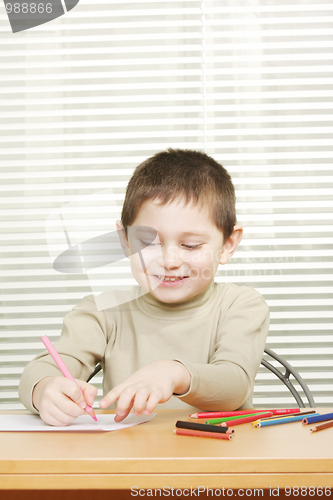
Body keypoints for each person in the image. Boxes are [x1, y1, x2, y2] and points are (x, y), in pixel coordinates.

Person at [19, 148, 270, 426]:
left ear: (227, 245)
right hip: (129, 462)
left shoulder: (241, 304)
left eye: (191, 245)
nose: (169, 261)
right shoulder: (102, 312)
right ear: (125, 242)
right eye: (148, 242)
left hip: (220, 459)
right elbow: (42, 369)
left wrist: (174, 373)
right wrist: (44, 389)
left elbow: (234, 386)